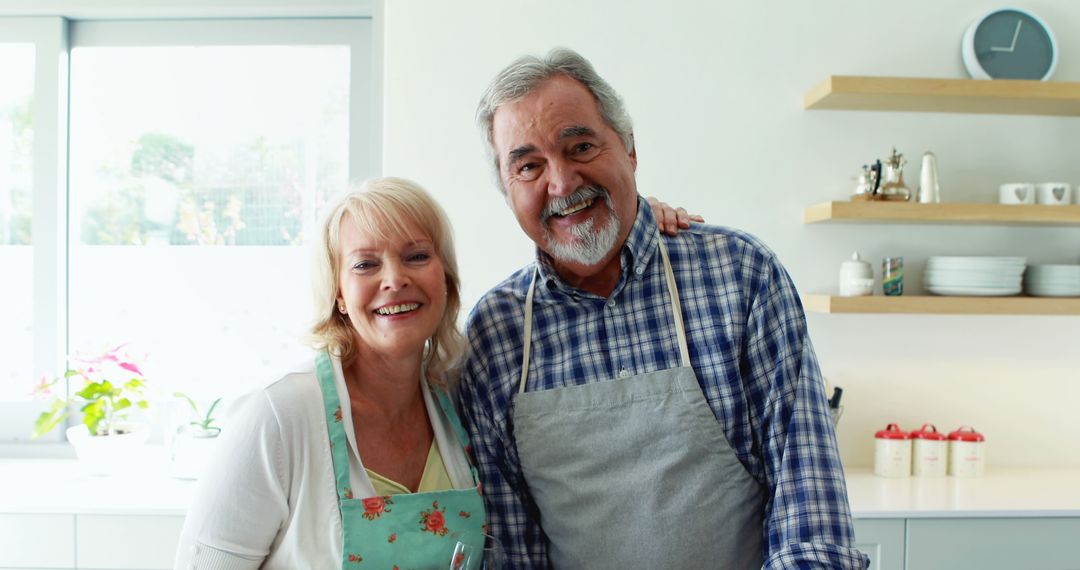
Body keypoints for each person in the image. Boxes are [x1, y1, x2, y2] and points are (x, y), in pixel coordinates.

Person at [457, 48, 869, 569]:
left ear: (629, 150)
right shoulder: (497, 332)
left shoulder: (741, 277)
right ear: (507, 190)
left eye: (580, 146)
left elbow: (812, 522)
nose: (560, 183)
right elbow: (514, 553)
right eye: (529, 166)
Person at [175, 177, 487, 569]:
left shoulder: (461, 405)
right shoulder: (278, 415)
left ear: (446, 278)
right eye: (365, 264)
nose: (394, 279)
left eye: (417, 256)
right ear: (339, 293)